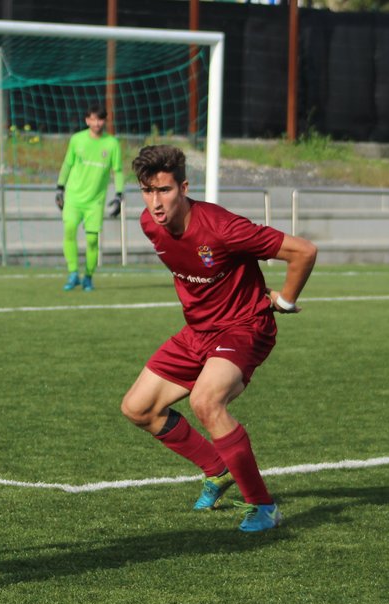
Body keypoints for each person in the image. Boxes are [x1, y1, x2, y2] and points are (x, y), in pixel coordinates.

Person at [120, 145, 318, 532]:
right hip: (198, 331)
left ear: (184, 188)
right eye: (147, 191)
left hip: (244, 327)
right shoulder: (149, 223)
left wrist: (285, 300)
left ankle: (263, 506)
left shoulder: (222, 227)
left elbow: (303, 251)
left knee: (206, 401)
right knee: (138, 408)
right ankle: (217, 468)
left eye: (164, 190)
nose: (155, 203)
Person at [55, 104, 124, 292]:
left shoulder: (112, 144)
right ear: (87, 120)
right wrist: (60, 188)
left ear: (104, 121)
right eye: (93, 119)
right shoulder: (77, 140)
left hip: (95, 201)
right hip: (74, 197)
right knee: (69, 230)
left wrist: (119, 195)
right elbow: (67, 164)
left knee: (92, 240)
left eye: (100, 119)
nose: (96, 123)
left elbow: (117, 170)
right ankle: (72, 273)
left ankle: (88, 277)